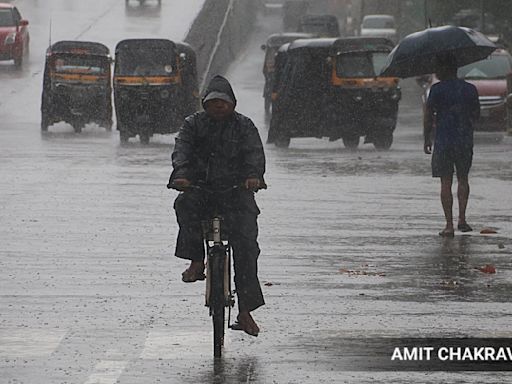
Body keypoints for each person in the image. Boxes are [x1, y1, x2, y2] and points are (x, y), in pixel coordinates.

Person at [168, 75, 266, 336]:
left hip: (237, 195)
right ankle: (197, 261)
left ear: (232, 104)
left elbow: (254, 154)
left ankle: (245, 312)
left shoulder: (244, 126)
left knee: (246, 248)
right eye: (213, 102)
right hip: (201, 191)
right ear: (204, 104)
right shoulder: (193, 125)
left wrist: (253, 176)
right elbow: (182, 151)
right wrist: (182, 175)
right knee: (184, 205)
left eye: (223, 102)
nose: (219, 106)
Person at [423, 55, 480, 237]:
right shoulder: (470, 89)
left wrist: (427, 138)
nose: (436, 71)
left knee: (445, 181)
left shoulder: (437, 90)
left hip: (444, 140)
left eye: (438, 68)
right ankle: (462, 220)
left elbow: (428, 116)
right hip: (464, 139)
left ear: (444, 69)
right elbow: (476, 114)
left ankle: (449, 225)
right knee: (463, 178)